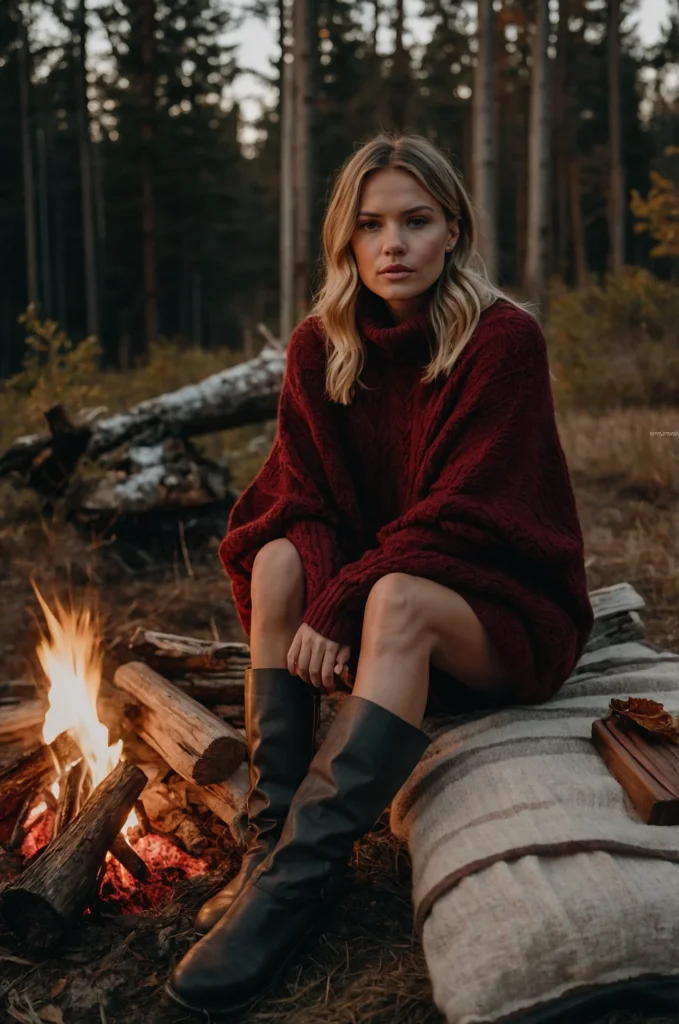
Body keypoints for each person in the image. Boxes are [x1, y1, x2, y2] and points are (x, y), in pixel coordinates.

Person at [165, 130, 594, 1015]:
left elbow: (470, 516)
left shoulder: (501, 340)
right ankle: (272, 843)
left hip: (499, 611)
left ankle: (300, 884)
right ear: (344, 240)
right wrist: (326, 586)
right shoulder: (319, 348)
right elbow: (297, 498)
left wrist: (350, 595)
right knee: (279, 555)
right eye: (370, 225)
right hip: (387, 604)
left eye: (415, 221)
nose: (392, 244)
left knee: (393, 594)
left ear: (452, 232)